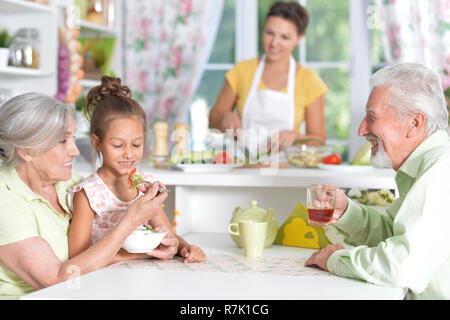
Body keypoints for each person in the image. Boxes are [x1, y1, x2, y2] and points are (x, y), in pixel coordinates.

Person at [0, 92, 178, 300]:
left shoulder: (66, 180)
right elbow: (57, 279)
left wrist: (156, 248)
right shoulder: (5, 201)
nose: (75, 151)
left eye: (72, 138)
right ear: (26, 150)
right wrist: (130, 221)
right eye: (62, 141)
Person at [305, 63, 450, 300]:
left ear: (414, 123)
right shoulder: (427, 166)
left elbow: (401, 266)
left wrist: (334, 260)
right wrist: (345, 211)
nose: (361, 130)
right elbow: (393, 233)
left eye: (371, 117)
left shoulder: (442, 169)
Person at [68, 76, 205, 264]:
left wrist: (185, 248)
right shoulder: (88, 194)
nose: (128, 154)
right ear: (96, 142)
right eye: (118, 145)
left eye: (136, 144)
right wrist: (140, 254)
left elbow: (167, 235)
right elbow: (77, 257)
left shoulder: (143, 185)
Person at [209, 1, 328, 153]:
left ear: (299, 38)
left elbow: (318, 140)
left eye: (284, 37)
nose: (274, 43)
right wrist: (224, 119)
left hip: (286, 170)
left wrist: (296, 137)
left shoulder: (309, 80)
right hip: (242, 166)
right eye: (269, 33)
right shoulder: (241, 71)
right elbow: (212, 120)